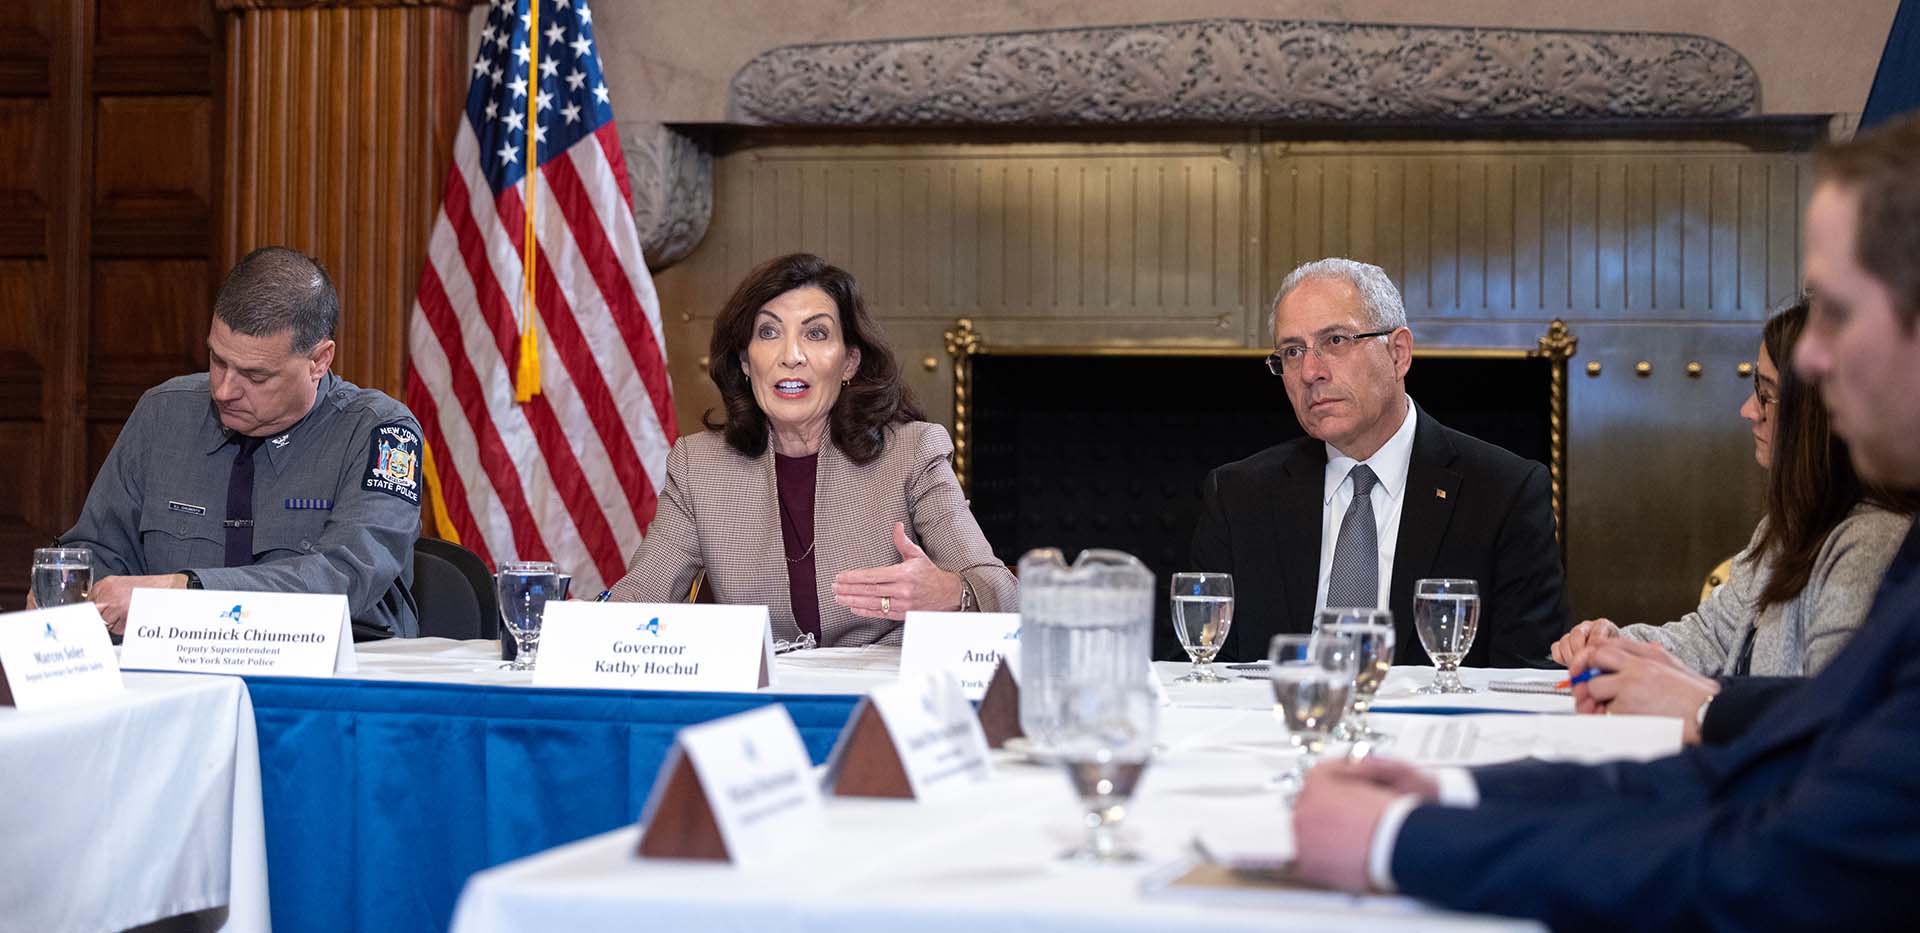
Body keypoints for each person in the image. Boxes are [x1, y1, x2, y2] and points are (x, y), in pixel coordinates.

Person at [1289, 113, 1920, 929]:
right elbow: (1771, 752)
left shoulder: (1878, 543)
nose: (1808, 360)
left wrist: (1403, 842)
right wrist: (1456, 790)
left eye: (1836, 310)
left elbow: (1774, 865)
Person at [608, 253, 1016, 646]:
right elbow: (640, 597)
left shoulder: (912, 452)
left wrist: (950, 592)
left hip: (880, 699)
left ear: (849, 362)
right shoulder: (698, 465)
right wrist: (569, 627)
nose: (791, 356)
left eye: (816, 333)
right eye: (768, 333)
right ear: (746, 362)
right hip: (761, 703)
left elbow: (1002, 593)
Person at [1187, 257, 1571, 665]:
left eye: (1335, 341)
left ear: (1399, 353)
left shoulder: (1504, 492)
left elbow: (1525, 678)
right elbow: (1196, 667)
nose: (1310, 372)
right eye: (1293, 351)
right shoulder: (1238, 495)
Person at [1550, 299, 1915, 710]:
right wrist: (1614, 645)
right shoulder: (1788, 527)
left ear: (1812, 413)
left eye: (1766, 394)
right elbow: (1709, 636)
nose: (1747, 410)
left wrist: (1704, 703)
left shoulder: (1871, 543)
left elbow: (1826, 715)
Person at [52, 246, 422, 639]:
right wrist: (67, 594)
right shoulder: (164, 413)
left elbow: (346, 576)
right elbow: (97, 551)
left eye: (255, 376)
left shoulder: (381, 434)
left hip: (336, 680)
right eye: (217, 360)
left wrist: (188, 591)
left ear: (319, 361)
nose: (224, 390)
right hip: (176, 674)